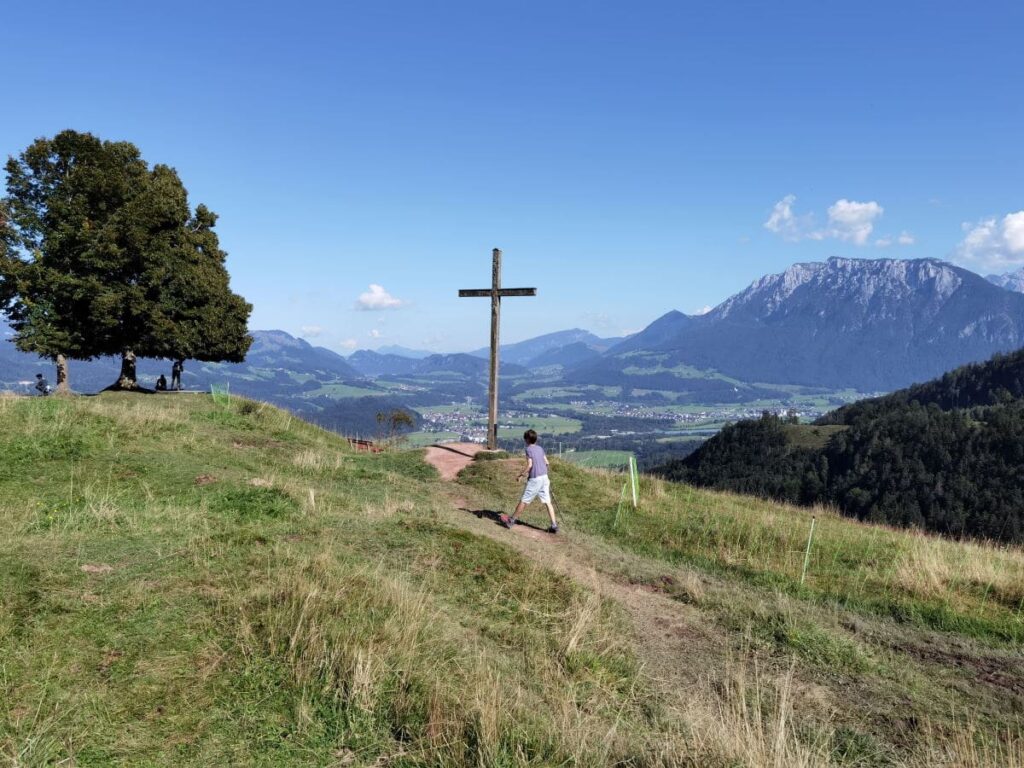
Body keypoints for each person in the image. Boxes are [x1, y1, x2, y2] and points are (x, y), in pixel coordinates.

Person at [505, 429, 559, 534]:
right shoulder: (540, 448)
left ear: (527, 439)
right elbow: (547, 463)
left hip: (535, 479)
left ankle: (511, 521)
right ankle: (554, 525)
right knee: (548, 502)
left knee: (524, 500)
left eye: (525, 438)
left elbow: (529, 465)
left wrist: (521, 475)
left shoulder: (528, 450)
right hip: (544, 477)